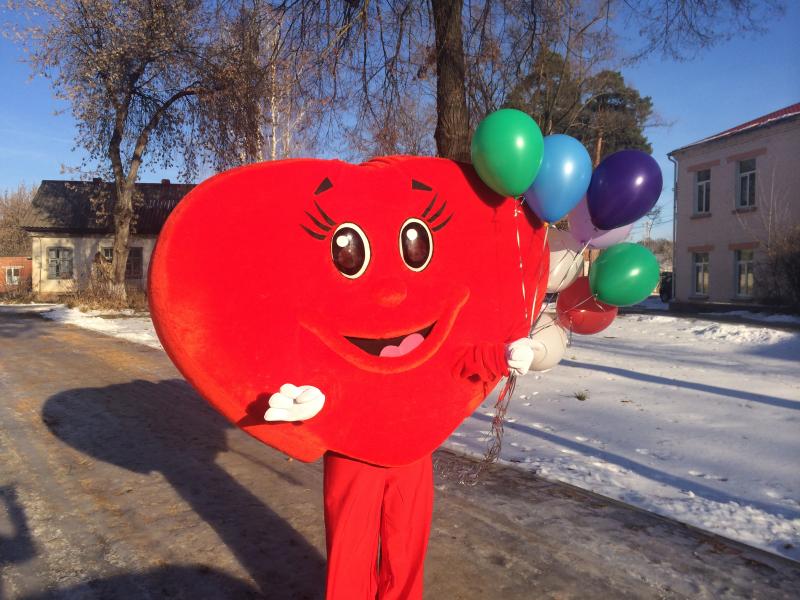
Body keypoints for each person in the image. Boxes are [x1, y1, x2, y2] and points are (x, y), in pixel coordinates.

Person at [265, 338, 537, 600]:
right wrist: (313, 388)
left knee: (405, 546)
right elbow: (316, 339)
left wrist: (498, 355)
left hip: (411, 440)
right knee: (350, 549)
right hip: (351, 443)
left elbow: (451, 349)